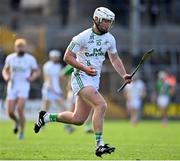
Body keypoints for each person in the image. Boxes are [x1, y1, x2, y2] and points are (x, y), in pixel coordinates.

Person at [34, 7, 132, 157]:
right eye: (106, 21)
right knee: (101, 105)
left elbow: (114, 58)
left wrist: (124, 74)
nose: (108, 25)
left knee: (78, 119)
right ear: (97, 19)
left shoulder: (110, 39)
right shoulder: (82, 37)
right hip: (80, 77)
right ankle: (100, 145)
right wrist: (85, 68)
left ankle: (46, 117)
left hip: (94, 79)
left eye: (110, 22)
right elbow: (67, 57)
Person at [2, 38, 40, 139]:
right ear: (15, 48)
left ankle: (22, 132)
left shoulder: (30, 59)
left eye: (22, 46)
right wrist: (6, 77)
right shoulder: (10, 58)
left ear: (25, 47)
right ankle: (17, 122)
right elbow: (5, 70)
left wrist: (32, 77)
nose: (20, 48)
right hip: (12, 86)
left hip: (24, 86)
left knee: (19, 109)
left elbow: (37, 71)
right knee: (10, 112)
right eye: (18, 47)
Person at [41, 50, 74, 133]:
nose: (56, 58)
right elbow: (47, 78)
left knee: (64, 108)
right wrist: (52, 88)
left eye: (57, 57)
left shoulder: (59, 66)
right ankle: (41, 124)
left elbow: (60, 79)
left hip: (57, 90)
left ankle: (67, 126)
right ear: (51, 57)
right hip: (48, 90)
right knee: (45, 108)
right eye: (54, 57)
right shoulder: (47, 65)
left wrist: (61, 89)